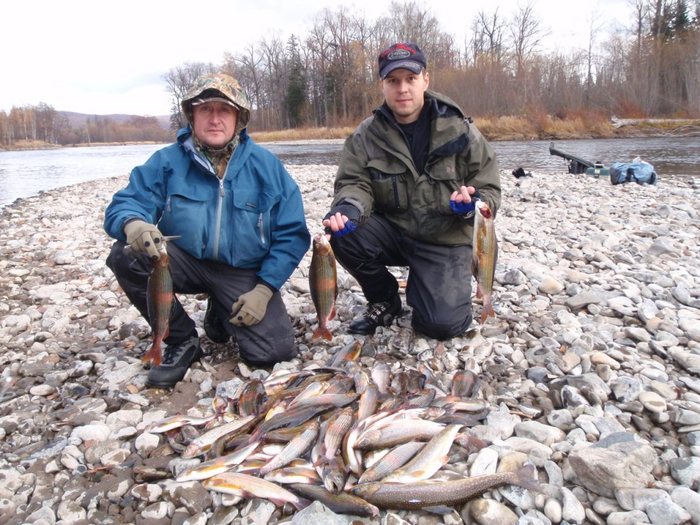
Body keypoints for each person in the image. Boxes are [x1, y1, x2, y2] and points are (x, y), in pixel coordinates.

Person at [104, 73, 310, 388]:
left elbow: (292, 234)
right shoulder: (167, 161)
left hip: (242, 271)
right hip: (182, 260)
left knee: (273, 351)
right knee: (126, 254)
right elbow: (128, 203)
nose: (215, 119)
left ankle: (220, 310)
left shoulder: (268, 168)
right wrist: (134, 224)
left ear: (239, 118)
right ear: (192, 116)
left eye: (224, 110)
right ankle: (181, 339)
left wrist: (264, 289)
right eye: (205, 110)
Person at [323, 42, 501, 339]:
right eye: (393, 81)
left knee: (441, 326)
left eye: (410, 79)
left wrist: (475, 204)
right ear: (382, 85)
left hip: (444, 237)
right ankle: (384, 299)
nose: (402, 88)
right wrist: (348, 208)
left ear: (425, 80)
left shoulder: (461, 130)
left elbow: (490, 186)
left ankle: (430, 282)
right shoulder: (365, 136)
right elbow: (354, 183)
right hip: (395, 232)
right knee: (342, 232)